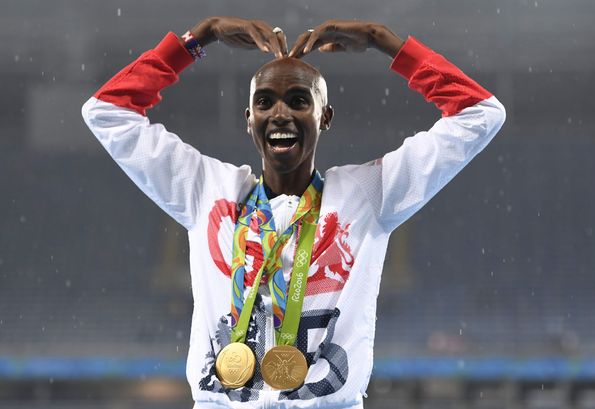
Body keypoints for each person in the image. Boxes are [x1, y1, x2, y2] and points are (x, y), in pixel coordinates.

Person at [82, 16, 505, 409]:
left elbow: (479, 115)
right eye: (265, 103)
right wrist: (200, 37)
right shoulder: (207, 191)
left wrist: (385, 42)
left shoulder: (368, 196)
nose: (280, 113)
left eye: (299, 100)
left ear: (325, 118)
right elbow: (106, 112)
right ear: (249, 120)